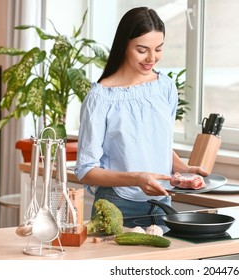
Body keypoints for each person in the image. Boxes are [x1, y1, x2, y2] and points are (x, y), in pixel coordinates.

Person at [74, 7, 208, 226]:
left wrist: (182, 169)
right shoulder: (101, 97)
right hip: (117, 205)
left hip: (162, 203)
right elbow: (86, 170)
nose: (152, 58)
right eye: (142, 49)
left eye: (158, 49)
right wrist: (136, 178)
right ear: (124, 44)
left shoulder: (165, 87)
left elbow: (155, 141)